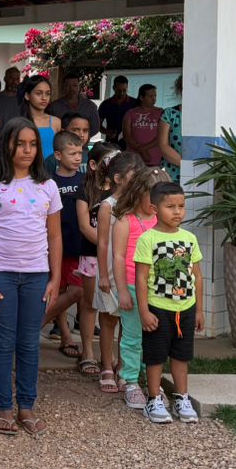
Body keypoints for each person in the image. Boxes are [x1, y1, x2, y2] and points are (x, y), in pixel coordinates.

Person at [0, 118, 61, 438]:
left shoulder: (48, 186)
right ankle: (4, 407)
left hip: (37, 274)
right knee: (1, 341)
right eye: (19, 143)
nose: (26, 150)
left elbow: (55, 235)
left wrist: (55, 277)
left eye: (32, 144)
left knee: (29, 342)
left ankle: (27, 406)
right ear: (6, 144)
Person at [135, 180, 204, 425]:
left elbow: (197, 276)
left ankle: (181, 398)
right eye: (170, 207)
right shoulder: (148, 239)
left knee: (181, 355)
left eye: (181, 206)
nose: (177, 212)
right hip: (158, 308)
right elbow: (141, 277)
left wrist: (199, 310)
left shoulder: (190, 238)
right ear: (154, 209)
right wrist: (144, 310)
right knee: (155, 356)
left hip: (185, 308)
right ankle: (153, 399)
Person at [96, 154, 154, 405]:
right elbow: (103, 243)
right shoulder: (109, 207)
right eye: (134, 173)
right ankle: (108, 366)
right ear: (119, 178)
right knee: (110, 318)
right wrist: (104, 274)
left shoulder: (144, 209)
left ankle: (125, 368)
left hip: (135, 274)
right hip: (113, 270)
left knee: (131, 325)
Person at [42, 129, 92, 371]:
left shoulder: (85, 181)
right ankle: (65, 335)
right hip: (55, 246)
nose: (77, 158)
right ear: (58, 155)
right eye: (72, 153)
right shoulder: (49, 182)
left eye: (80, 153)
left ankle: (37, 323)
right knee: (58, 290)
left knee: (77, 291)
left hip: (79, 246)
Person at [122, 83, 164, 167]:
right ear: (141, 97)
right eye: (150, 96)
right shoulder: (130, 113)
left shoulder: (160, 112)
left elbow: (162, 136)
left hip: (154, 160)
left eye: (155, 96)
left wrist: (143, 149)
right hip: (134, 160)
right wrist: (142, 151)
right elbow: (127, 136)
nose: (154, 98)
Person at [157, 76, 184, 182]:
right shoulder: (170, 113)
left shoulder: (207, 115)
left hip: (203, 174)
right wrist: (186, 166)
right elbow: (163, 145)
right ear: (180, 90)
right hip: (171, 175)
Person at [98, 75, 134, 146]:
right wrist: (107, 132)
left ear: (127, 88)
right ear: (113, 88)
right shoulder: (106, 104)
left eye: (124, 90)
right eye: (119, 90)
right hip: (112, 143)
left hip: (131, 144)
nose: (122, 93)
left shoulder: (134, 103)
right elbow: (97, 124)